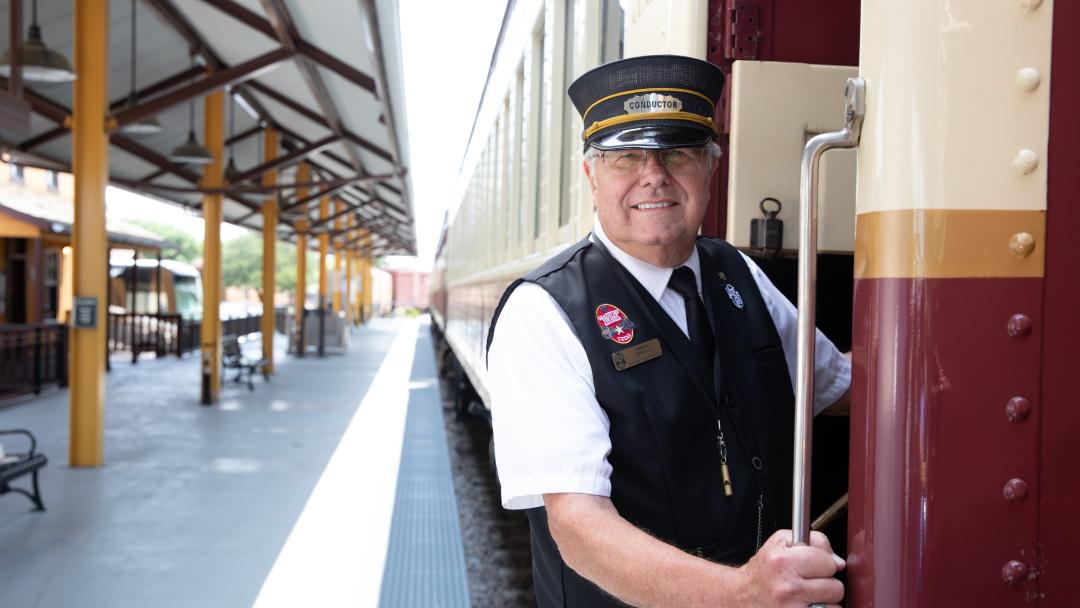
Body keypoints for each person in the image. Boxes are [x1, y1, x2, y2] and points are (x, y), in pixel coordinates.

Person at [486, 55, 850, 607]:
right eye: (625, 157)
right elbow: (578, 527)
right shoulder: (542, 312)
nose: (653, 175)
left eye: (678, 152)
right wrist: (741, 593)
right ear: (591, 174)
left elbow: (838, 387)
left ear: (710, 168)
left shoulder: (739, 273)